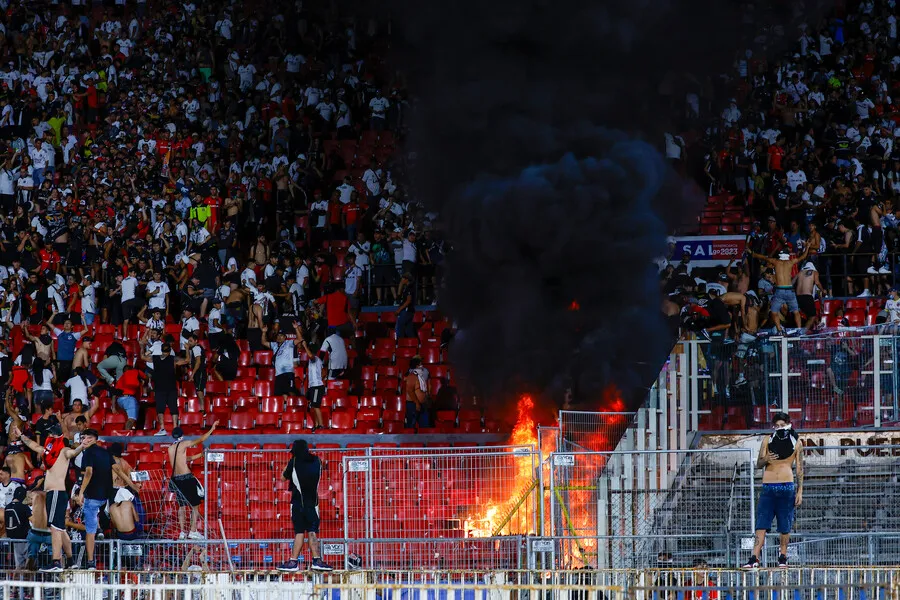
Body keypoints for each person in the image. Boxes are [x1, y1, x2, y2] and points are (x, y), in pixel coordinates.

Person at [14, 425, 94, 572]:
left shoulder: (63, 450)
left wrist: (81, 446)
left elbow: (72, 453)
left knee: (55, 528)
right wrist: (21, 436)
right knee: (61, 529)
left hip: (56, 492)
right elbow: (34, 445)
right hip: (55, 493)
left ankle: (56, 562)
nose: (49, 436)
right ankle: (70, 561)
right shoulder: (48, 452)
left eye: (51, 434)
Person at [743, 412, 804, 569]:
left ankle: (783, 556)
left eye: (782, 425)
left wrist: (800, 491)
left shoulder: (796, 442)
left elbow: (799, 468)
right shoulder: (767, 440)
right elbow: (759, 463)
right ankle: (754, 557)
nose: (779, 428)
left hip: (786, 486)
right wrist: (766, 459)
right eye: (776, 425)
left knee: (785, 526)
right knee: (761, 525)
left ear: (788, 424)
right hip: (768, 486)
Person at [276, 440, 333, 572]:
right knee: (312, 531)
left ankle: (293, 562)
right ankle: (316, 560)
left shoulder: (294, 462)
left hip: (297, 504)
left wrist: (287, 466)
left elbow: (283, 478)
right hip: (313, 504)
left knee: (299, 532)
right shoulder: (317, 461)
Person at [74, 428, 117, 570]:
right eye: (83, 437)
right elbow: (117, 470)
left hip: (92, 497)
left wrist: (81, 492)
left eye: (88, 437)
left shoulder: (87, 453)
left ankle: (91, 562)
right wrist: (131, 485)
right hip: (107, 497)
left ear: (95, 439)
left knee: (90, 531)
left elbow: (88, 473)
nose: (85, 440)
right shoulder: (106, 453)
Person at [167, 422, 218, 540]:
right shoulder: (183, 444)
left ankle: (182, 532)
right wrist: (211, 429)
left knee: (182, 506)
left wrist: (200, 455)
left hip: (176, 479)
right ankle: (193, 530)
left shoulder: (170, 448)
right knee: (195, 505)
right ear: (181, 435)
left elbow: (184, 459)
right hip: (186, 478)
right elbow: (200, 440)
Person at [749, 247, 809, 332]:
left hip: (780, 290)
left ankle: (779, 330)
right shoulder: (790, 262)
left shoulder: (776, 262)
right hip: (790, 290)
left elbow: (764, 257)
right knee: (796, 312)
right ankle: (799, 331)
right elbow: (803, 256)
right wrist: (807, 247)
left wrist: (752, 253)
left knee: (773, 312)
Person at [5, 486, 30, 570]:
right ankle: (28, 583)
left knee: (18, 566)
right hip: (25, 539)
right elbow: (33, 520)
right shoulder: (24, 507)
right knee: (28, 566)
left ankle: (16, 583)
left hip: (14, 540)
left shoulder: (7, 507)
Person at [794, 262, 823, 330]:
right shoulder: (814, 272)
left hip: (797, 297)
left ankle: (800, 329)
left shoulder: (800, 272)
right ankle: (803, 333)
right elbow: (817, 283)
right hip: (807, 296)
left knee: (804, 314)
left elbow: (792, 282)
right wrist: (823, 290)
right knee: (812, 316)